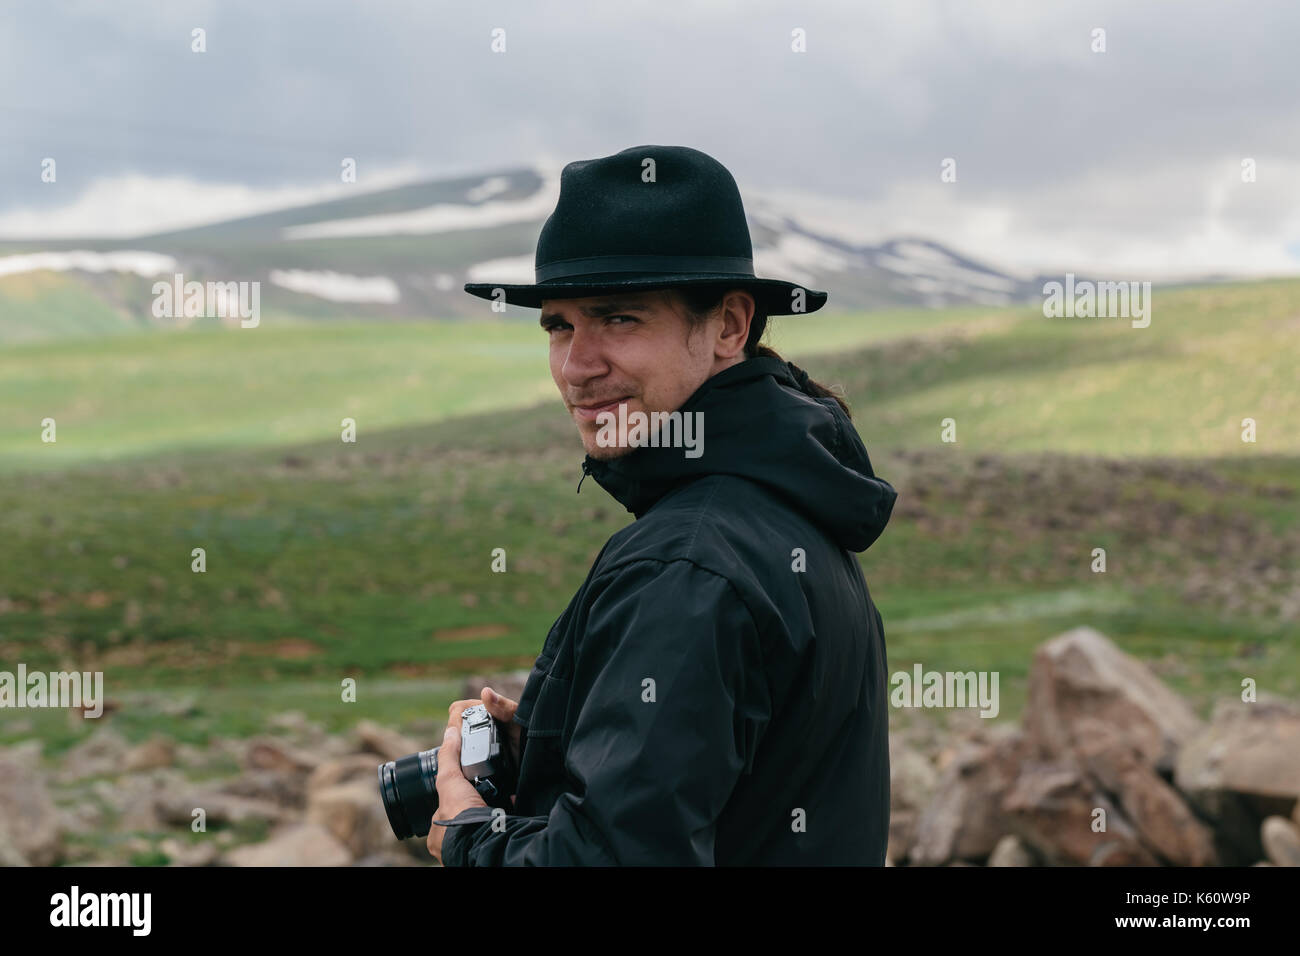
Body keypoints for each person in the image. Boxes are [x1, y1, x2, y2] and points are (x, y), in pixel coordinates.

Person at [427, 145, 897, 865]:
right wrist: (564, 735)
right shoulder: (790, 515)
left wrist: (467, 834)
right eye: (558, 325)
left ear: (729, 327)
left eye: (618, 319)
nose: (577, 365)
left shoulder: (687, 563)